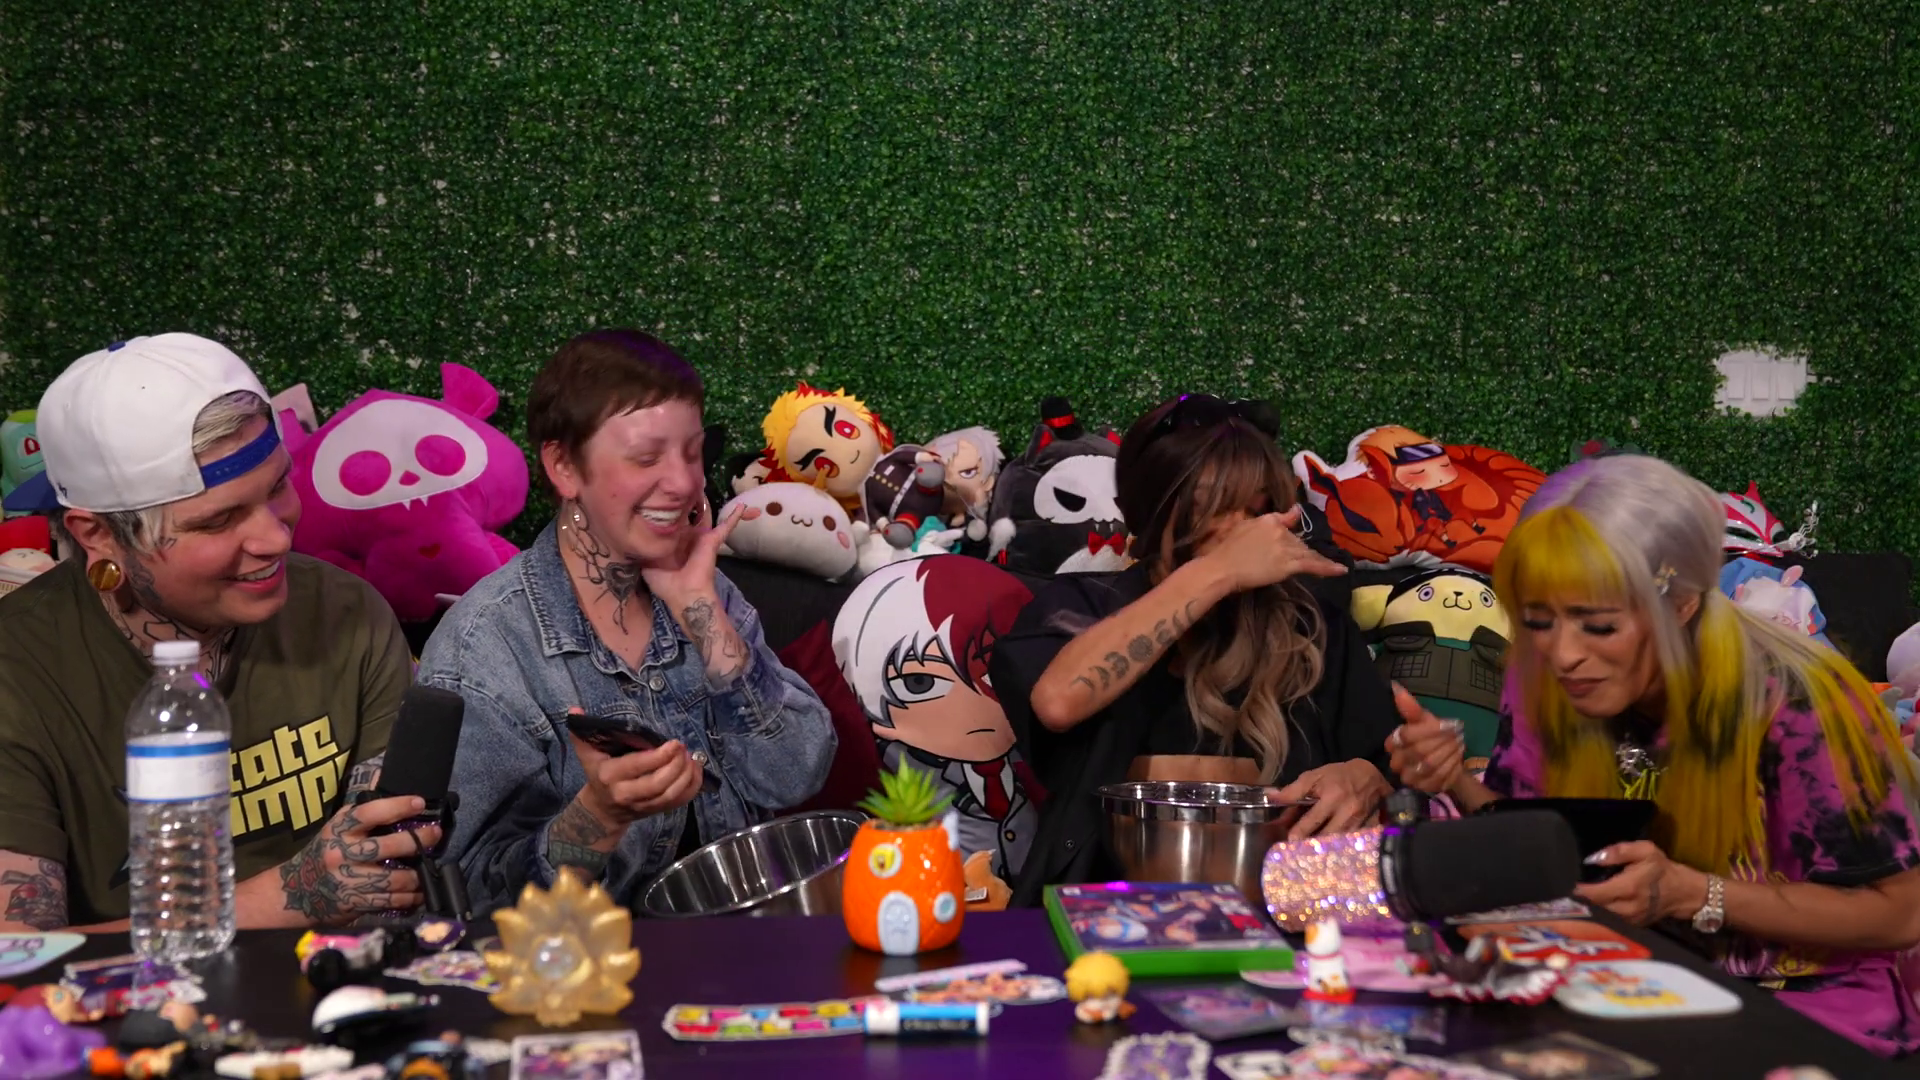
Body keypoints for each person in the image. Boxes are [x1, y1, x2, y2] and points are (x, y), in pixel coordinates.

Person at [1387, 453, 1920, 1057]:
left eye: (1598, 625)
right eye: (1538, 620)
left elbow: (1899, 913)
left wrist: (1693, 894)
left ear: (1682, 603)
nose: (1563, 654)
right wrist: (1453, 778)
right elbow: (1542, 843)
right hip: (1617, 981)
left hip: (1803, 1010)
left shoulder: (1798, 705)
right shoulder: (1546, 676)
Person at [0, 334, 428, 932]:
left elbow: (387, 874)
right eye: (219, 519)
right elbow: (15, 958)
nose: (276, 538)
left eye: (276, 487)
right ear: (98, 535)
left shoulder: (347, 612)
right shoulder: (18, 672)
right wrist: (283, 897)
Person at [419, 329, 835, 913]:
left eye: (693, 452)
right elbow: (462, 902)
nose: (685, 482)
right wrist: (599, 817)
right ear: (565, 466)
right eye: (646, 458)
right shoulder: (484, 649)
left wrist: (701, 612)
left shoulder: (702, 587)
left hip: (746, 940)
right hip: (590, 962)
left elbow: (795, 774)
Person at [992, 393, 1403, 904]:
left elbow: (1388, 766)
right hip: (1104, 916)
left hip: (1286, 916)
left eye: (1258, 509)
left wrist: (1364, 777)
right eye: (1216, 507)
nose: (1245, 529)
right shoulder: (1079, 607)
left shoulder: (1313, 628)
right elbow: (1058, 701)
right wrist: (1221, 570)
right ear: (1154, 513)